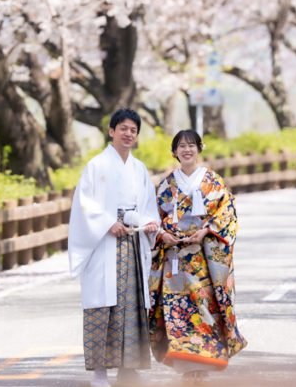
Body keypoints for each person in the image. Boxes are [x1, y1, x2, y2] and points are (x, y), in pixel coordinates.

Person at [68, 108, 161, 387]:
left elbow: (148, 206)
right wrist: (108, 223)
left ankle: (128, 369)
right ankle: (99, 372)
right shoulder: (96, 166)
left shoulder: (139, 168)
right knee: (103, 305)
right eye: (123, 128)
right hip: (104, 243)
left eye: (133, 130)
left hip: (132, 243)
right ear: (111, 131)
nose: (128, 134)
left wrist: (148, 223)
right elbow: (84, 204)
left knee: (132, 304)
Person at [148, 129, 247, 381]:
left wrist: (206, 231)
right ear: (174, 151)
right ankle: (186, 366)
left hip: (204, 259)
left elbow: (227, 213)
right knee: (177, 310)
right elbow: (154, 217)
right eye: (181, 146)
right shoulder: (167, 183)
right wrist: (162, 234)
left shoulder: (213, 180)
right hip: (174, 258)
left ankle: (203, 364)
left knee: (204, 308)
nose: (187, 150)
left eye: (191, 145)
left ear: (199, 148)